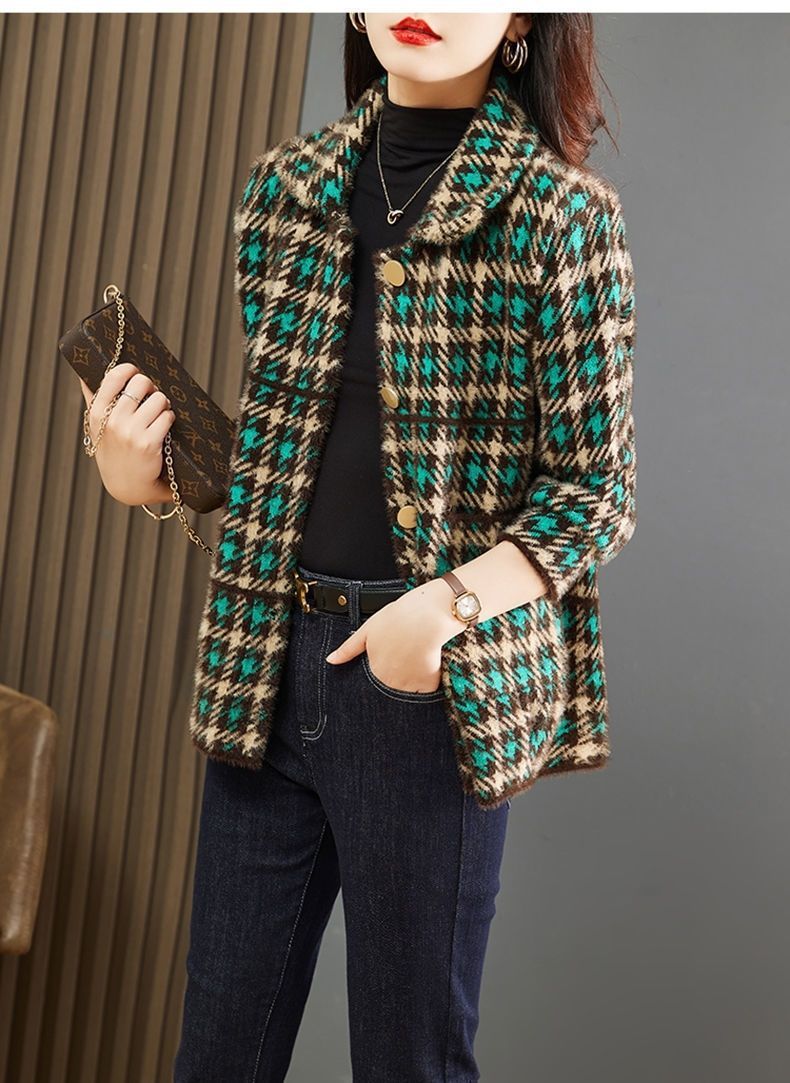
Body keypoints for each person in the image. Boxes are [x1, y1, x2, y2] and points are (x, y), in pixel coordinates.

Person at [79, 12, 637, 1082]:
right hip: (265, 669)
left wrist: (440, 613)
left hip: (428, 691)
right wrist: (145, 478)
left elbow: (594, 493)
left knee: (407, 1060)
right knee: (216, 1054)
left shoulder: (562, 216)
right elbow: (291, 464)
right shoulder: (285, 188)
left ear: (522, 18)